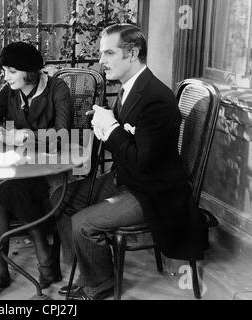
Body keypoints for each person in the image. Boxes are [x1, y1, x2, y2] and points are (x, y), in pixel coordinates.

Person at [51, 24, 209, 300]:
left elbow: (143, 162)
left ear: (132, 53)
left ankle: (100, 285)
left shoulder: (155, 99)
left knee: (83, 223)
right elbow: (126, 143)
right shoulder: (128, 89)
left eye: (109, 53)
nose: (101, 61)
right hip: (126, 179)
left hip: (151, 191)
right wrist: (103, 126)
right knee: (59, 199)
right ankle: (92, 269)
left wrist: (111, 129)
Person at [0, 41, 71, 300]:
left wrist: (27, 136)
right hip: (20, 167)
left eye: (11, 71)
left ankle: (39, 256)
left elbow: (63, 135)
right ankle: (2, 271)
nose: (5, 77)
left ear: (29, 71)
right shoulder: (10, 89)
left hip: (51, 169)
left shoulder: (57, 88)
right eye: (4, 71)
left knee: (2, 194)